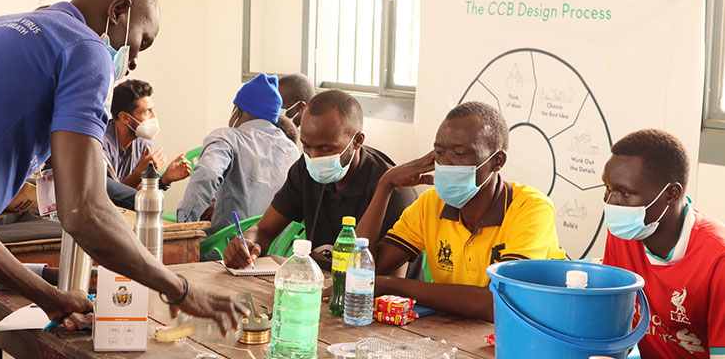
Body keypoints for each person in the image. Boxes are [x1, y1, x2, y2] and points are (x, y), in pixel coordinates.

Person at [0, 0, 246, 358]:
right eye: (140, 42)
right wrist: (179, 288)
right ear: (118, 11)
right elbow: (83, 209)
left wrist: (48, 294)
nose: (133, 61)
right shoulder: (85, 48)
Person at [354, 101, 565, 322]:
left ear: (497, 161)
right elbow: (361, 269)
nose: (445, 163)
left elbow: (497, 304)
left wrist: (391, 284)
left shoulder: (530, 209)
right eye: (439, 152)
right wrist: (385, 185)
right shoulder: (429, 205)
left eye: (459, 153)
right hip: (451, 331)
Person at [223, 89, 419, 272]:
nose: (314, 157)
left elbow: (383, 278)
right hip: (319, 288)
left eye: (326, 149)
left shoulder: (393, 190)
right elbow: (264, 230)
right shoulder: (304, 168)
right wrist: (247, 243)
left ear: (357, 141)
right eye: (307, 147)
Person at [601, 129, 725, 358]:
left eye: (625, 193)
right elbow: (614, 329)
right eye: (608, 188)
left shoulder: (718, 260)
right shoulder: (623, 235)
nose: (611, 202)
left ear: (671, 194)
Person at [177, 73, 300, 232]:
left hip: (227, 248)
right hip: (278, 251)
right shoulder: (292, 150)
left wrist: (184, 224)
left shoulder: (226, 137)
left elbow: (207, 174)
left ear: (238, 110)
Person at [102, 79, 192, 208]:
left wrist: (164, 179)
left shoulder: (143, 141)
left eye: (153, 110)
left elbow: (136, 193)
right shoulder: (101, 143)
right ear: (125, 118)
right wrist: (139, 173)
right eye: (147, 111)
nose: (154, 116)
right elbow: (108, 198)